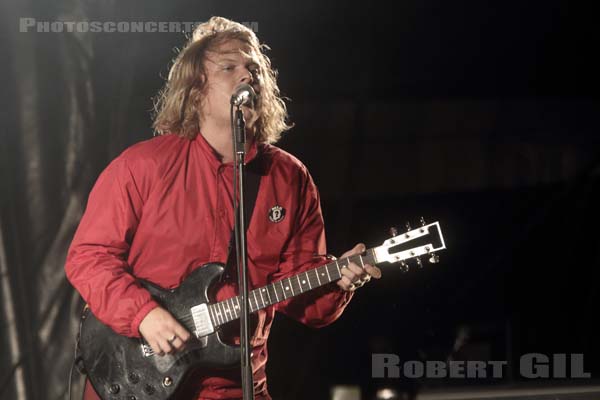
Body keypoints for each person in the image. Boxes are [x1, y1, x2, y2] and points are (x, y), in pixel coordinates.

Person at [65, 16, 381, 400]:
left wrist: (337, 282)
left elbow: (306, 303)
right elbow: (88, 256)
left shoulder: (289, 178)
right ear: (196, 90)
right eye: (229, 67)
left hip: (237, 384)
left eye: (254, 68)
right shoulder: (143, 166)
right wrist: (142, 314)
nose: (247, 76)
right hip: (136, 377)